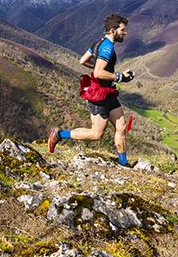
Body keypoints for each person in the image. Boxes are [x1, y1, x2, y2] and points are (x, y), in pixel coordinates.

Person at [48, 14, 134, 166]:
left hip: (108, 92)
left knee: (121, 127)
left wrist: (112, 74)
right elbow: (99, 73)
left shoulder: (99, 42)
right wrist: (120, 77)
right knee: (96, 134)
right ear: (113, 31)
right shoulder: (107, 48)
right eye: (122, 30)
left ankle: (124, 163)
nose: (125, 33)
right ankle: (59, 134)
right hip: (99, 95)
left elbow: (83, 60)